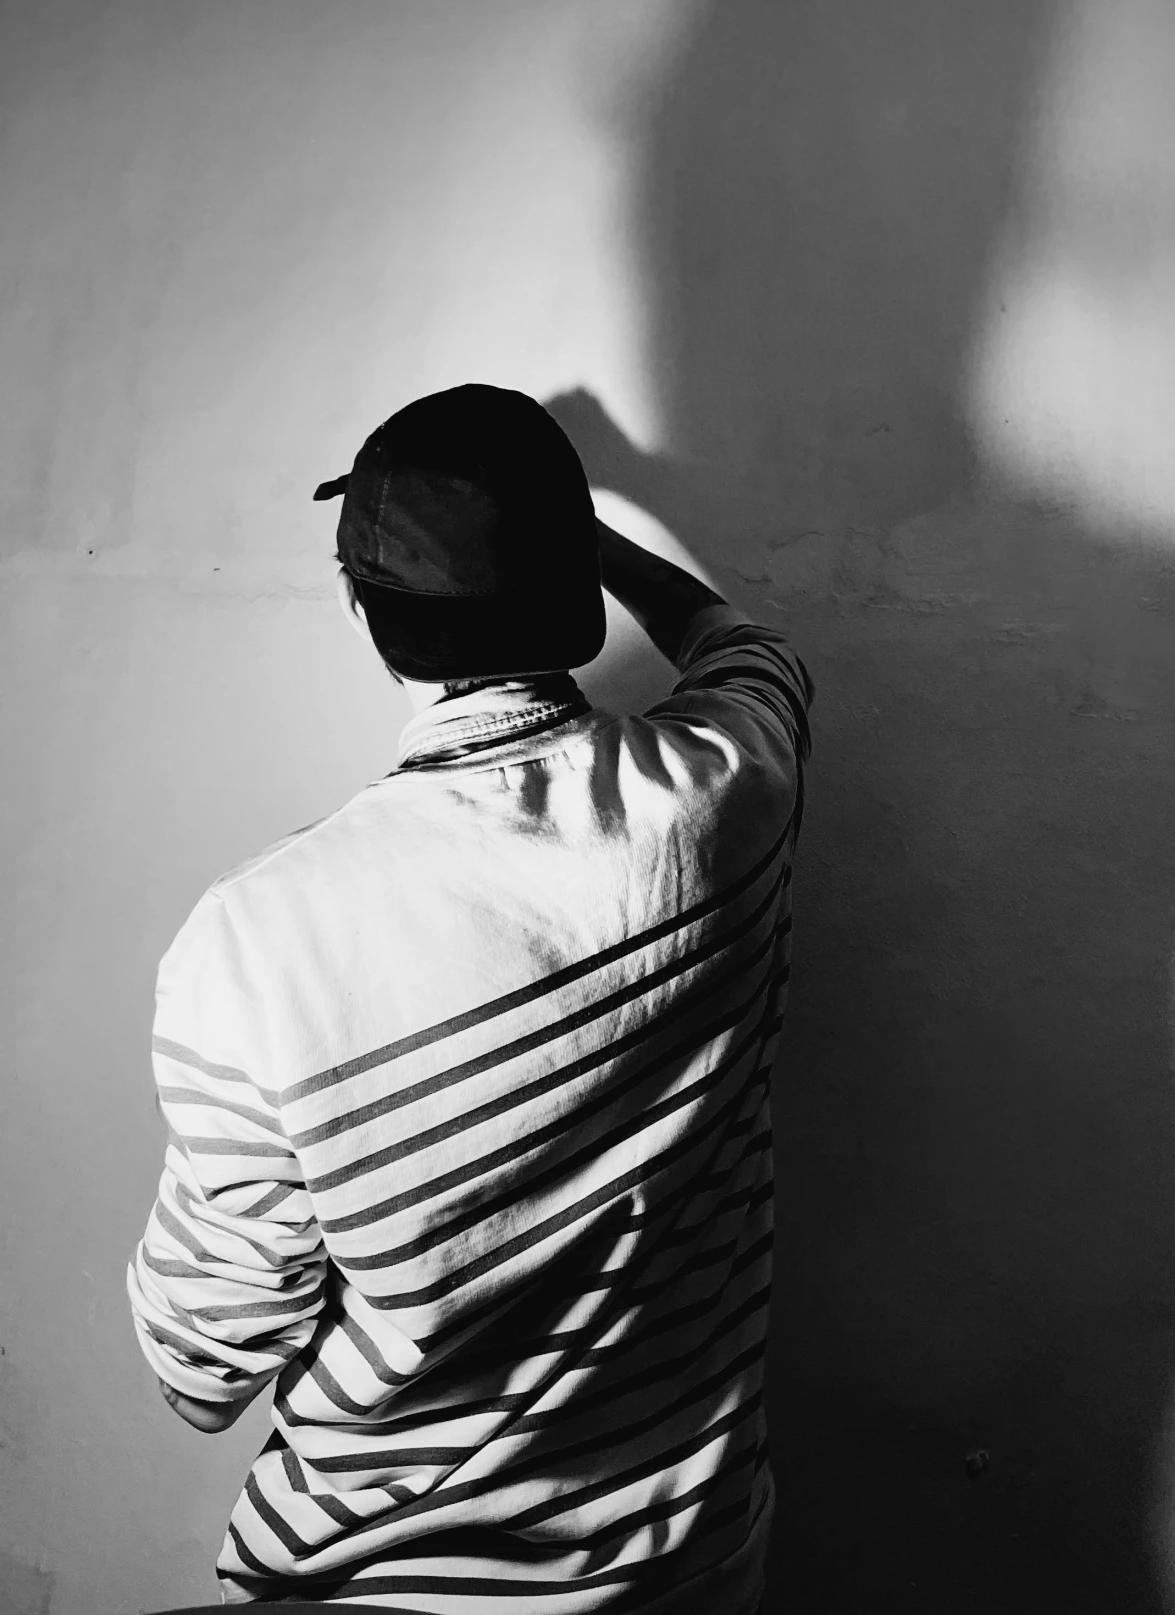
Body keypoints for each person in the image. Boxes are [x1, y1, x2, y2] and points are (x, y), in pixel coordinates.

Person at [127, 382, 813, 1614]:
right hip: (694, 1568)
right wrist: (590, 538)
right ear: (575, 594)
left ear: (365, 613)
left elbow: (199, 1370)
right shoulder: (724, 797)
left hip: (388, 1585)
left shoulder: (258, 941)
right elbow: (753, 650)